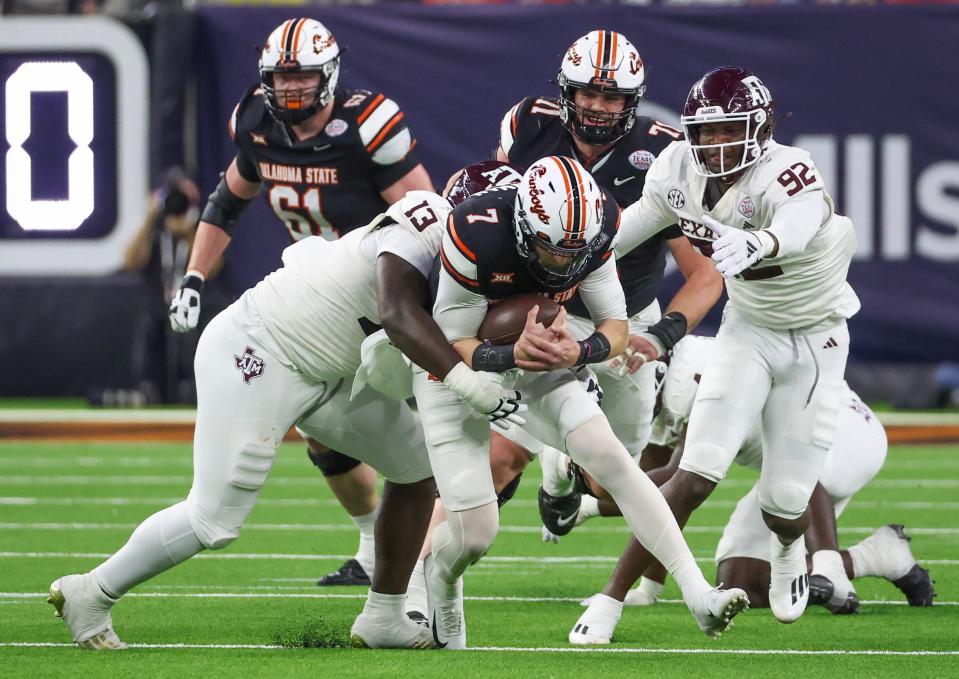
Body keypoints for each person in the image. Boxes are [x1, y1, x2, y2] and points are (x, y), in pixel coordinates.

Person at [46, 165, 524, 651]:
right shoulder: (418, 228)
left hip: (331, 373)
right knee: (214, 520)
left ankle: (383, 616)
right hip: (260, 350)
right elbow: (401, 316)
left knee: (417, 471)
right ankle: (92, 591)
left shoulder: (488, 258)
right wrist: (468, 381)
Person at [415, 155, 748, 650]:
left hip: (541, 353)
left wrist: (578, 350)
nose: (564, 261)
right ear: (524, 229)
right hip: (454, 368)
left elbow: (616, 327)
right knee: (475, 534)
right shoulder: (474, 232)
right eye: (552, 250)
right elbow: (447, 340)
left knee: (611, 458)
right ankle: (438, 580)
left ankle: (698, 592)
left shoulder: (595, 230)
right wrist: (508, 351)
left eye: (576, 249)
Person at [588, 66, 862, 626]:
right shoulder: (676, 168)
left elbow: (807, 216)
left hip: (816, 336)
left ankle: (789, 548)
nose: (713, 143)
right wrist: (579, 254)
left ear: (759, 126)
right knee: (697, 468)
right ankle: (611, 599)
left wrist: (763, 241)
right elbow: (638, 221)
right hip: (748, 328)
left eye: (727, 129)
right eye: (704, 132)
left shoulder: (788, 170)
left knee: (785, 503)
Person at [167, 18, 435, 586]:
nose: (290, 91)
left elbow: (426, 217)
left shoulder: (366, 125)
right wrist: (193, 275)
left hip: (383, 290)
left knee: (433, 414)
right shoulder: (256, 123)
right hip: (317, 297)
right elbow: (225, 203)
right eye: (281, 79)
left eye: (302, 78)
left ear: (330, 76)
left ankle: (441, 542)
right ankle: (374, 547)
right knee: (319, 424)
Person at [495, 30, 722, 531]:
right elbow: (497, 217)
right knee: (501, 455)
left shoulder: (664, 157)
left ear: (632, 100)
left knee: (613, 486)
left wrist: (661, 337)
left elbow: (705, 274)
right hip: (543, 305)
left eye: (611, 96)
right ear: (566, 91)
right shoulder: (529, 126)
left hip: (625, 315)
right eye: (588, 93)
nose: (597, 106)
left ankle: (563, 472)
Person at [570, 335, 935, 643]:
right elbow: (662, 499)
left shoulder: (697, 372)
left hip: (846, 433)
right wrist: (649, 588)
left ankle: (829, 568)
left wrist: (591, 509)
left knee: (793, 476)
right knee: (744, 580)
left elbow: (676, 488)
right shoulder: (665, 395)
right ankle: (878, 556)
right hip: (800, 462)